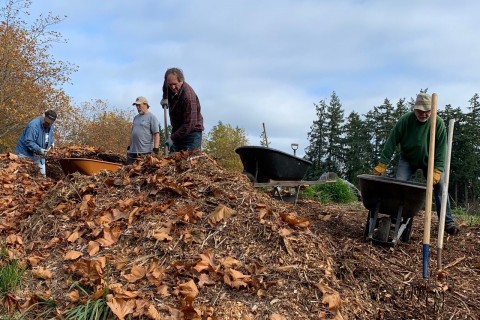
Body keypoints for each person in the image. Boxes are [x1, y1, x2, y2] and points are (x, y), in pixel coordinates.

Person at [372, 92, 459, 235]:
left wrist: (437, 170)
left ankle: (447, 222)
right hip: (408, 159)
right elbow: (392, 141)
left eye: (427, 111)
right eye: (420, 111)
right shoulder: (405, 120)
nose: (423, 114)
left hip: (429, 161)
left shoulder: (438, 123)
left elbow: (442, 148)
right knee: (399, 184)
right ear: (414, 109)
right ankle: (396, 216)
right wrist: (383, 163)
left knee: (440, 187)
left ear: (432, 110)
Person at [160, 68, 204, 153]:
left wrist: (172, 138)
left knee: (189, 161)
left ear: (181, 81)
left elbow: (189, 125)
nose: (172, 87)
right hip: (177, 128)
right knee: (173, 160)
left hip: (192, 133)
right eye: (170, 84)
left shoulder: (188, 97)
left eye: (175, 84)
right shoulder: (168, 84)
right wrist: (165, 98)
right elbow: (165, 86)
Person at [15, 110, 57, 175]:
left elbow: (49, 137)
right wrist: (40, 150)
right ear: (43, 117)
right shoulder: (33, 126)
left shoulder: (50, 126)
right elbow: (28, 141)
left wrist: (52, 142)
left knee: (42, 178)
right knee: (25, 176)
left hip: (39, 156)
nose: (47, 123)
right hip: (25, 154)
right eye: (46, 121)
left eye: (50, 123)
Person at [126, 96, 160, 164]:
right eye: (136, 105)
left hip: (145, 153)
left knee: (142, 173)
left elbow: (156, 134)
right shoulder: (136, 118)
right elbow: (133, 133)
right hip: (132, 152)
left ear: (145, 104)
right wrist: (129, 146)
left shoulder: (152, 117)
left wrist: (156, 149)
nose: (137, 107)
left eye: (139, 105)